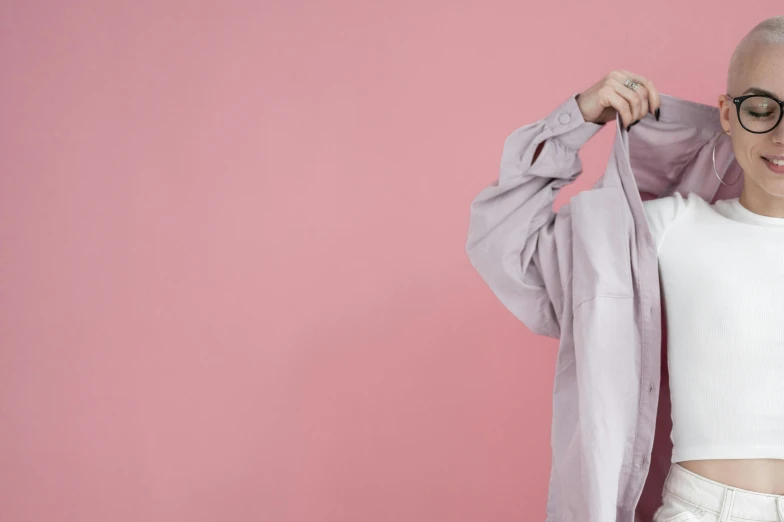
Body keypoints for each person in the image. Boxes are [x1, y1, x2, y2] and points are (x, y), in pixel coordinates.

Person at [467, 15, 784, 522]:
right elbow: (507, 243)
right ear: (727, 114)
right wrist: (576, 121)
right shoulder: (667, 230)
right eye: (764, 108)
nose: (782, 135)